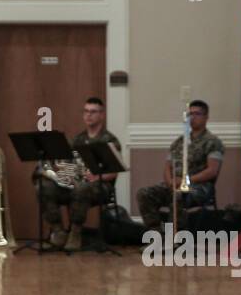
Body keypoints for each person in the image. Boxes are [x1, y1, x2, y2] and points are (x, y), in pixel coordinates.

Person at [36, 96, 122, 251]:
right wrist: (61, 172)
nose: (89, 115)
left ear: (102, 115)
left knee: (81, 188)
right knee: (44, 186)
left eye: (93, 112)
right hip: (75, 184)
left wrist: (96, 177)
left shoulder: (110, 140)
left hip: (100, 186)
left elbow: (114, 172)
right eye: (86, 111)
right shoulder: (77, 140)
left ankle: (75, 233)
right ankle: (58, 231)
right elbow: (69, 165)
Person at [136, 100, 223, 230]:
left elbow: (212, 171)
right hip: (175, 184)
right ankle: (157, 234)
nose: (192, 117)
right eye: (190, 114)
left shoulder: (212, 142)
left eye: (197, 114)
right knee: (144, 194)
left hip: (198, 187)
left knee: (178, 195)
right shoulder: (179, 142)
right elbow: (167, 167)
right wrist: (170, 181)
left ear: (206, 117)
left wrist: (184, 181)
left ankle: (177, 239)